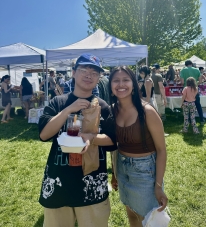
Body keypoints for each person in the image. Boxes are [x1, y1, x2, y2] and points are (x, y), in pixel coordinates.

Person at [38, 53, 116, 227]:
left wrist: (91, 138)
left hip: (92, 183)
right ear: (73, 73)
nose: (89, 75)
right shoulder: (58, 102)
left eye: (94, 73)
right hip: (59, 181)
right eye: (84, 70)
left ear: (98, 78)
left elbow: (113, 141)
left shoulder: (103, 106)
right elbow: (44, 135)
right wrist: (68, 110)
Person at [108, 66, 167, 227]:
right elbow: (115, 146)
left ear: (133, 84)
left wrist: (159, 186)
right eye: (116, 80)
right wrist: (114, 173)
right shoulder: (113, 110)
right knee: (132, 216)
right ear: (111, 85)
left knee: (149, 221)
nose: (121, 84)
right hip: (122, 168)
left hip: (145, 172)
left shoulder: (146, 111)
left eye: (126, 80)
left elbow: (162, 150)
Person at [180, 60, 204, 125]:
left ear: (186, 65)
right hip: (195, 89)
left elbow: (182, 82)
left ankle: (189, 121)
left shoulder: (183, 70)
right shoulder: (197, 70)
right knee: (198, 105)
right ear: (191, 64)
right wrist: (196, 84)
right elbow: (200, 81)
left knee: (188, 106)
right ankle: (201, 119)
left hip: (186, 90)